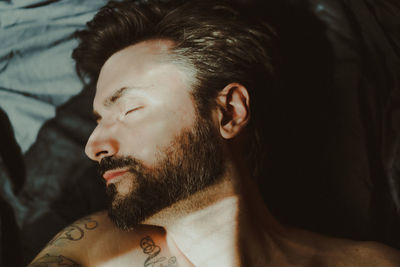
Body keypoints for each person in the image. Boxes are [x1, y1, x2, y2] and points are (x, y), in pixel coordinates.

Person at [28, 0, 400, 266]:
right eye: (97, 120)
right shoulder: (92, 250)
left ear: (228, 112)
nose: (93, 146)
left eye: (129, 109)